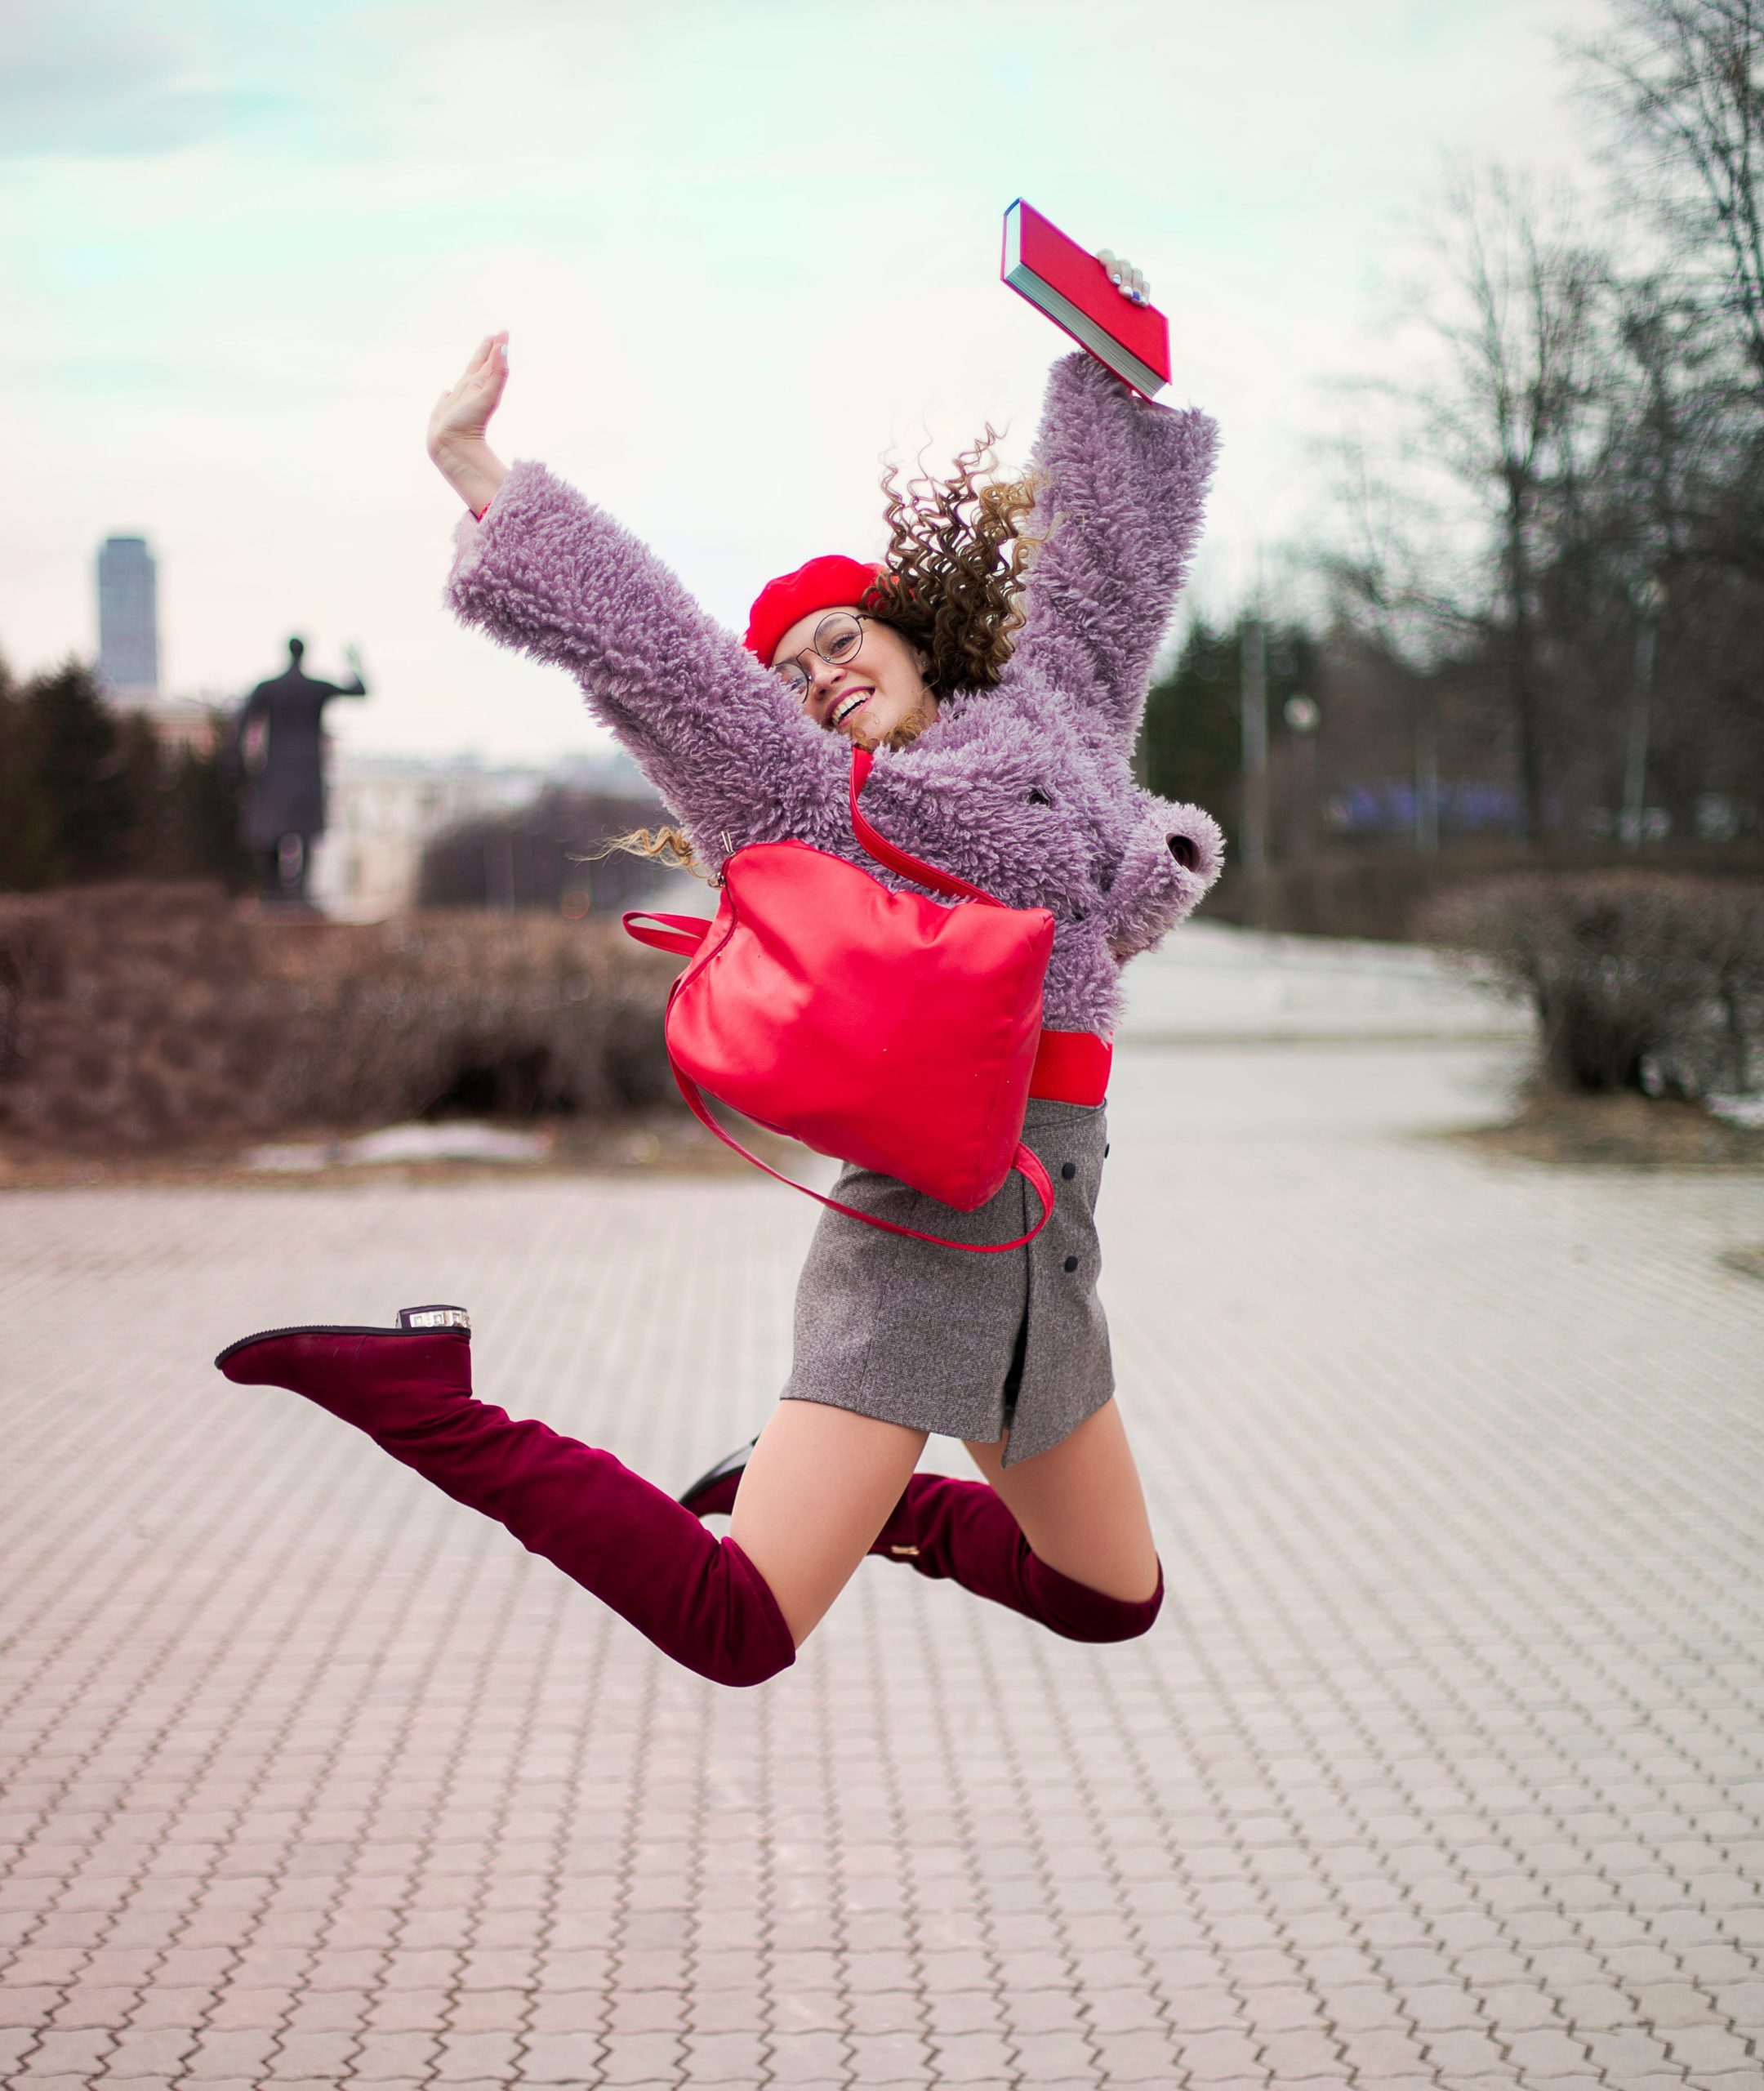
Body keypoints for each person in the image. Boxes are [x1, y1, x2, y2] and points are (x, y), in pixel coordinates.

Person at [216, 255, 1223, 1688]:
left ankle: (877, 1509)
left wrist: (1111, 360)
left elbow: (1104, 576)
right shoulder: (807, 800)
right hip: (932, 1235)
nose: (819, 677)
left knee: (1109, 1595)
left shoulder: (1056, 716)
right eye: (796, 674)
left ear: (902, 630)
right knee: (737, 1628)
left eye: (839, 640)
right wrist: (477, 470)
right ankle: (432, 1404)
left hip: (1053, 1244)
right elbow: (653, 649)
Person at [231, 636, 368, 908]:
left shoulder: (269, 688)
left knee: (270, 832)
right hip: (307, 769)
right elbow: (359, 691)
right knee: (305, 833)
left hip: (274, 770)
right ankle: (300, 893)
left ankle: (274, 893)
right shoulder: (315, 687)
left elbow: (242, 719)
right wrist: (354, 664)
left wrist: (235, 757)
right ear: (304, 654)